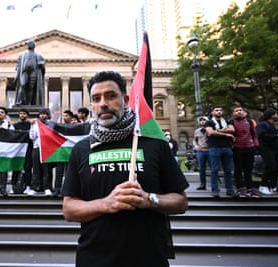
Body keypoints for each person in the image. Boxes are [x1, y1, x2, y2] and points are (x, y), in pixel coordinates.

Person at [62, 71, 189, 267]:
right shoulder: (81, 149)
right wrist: (106, 204)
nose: (103, 103)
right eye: (96, 98)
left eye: (111, 96)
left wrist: (149, 200)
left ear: (125, 99)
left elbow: (180, 202)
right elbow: (69, 209)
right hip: (94, 258)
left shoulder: (155, 144)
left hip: (149, 258)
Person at [228, 106, 261, 198]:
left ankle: (249, 187)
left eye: (240, 110)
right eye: (236, 111)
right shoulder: (231, 122)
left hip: (250, 148)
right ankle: (240, 187)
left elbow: (254, 134)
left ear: (243, 112)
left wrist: (255, 144)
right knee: (238, 169)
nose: (239, 112)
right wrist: (232, 145)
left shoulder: (249, 122)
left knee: (249, 169)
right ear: (233, 113)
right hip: (237, 148)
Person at [205, 105, 235, 198]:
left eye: (220, 110)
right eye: (216, 110)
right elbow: (210, 132)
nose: (219, 111)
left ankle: (229, 190)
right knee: (214, 170)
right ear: (212, 112)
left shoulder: (227, 121)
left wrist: (218, 130)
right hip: (215, 148)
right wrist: (226, 134)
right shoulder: (209, 122)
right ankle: (215, 190)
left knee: (228, 170)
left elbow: (232, 129)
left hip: (227, 147)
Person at [256, 109, 278, 194]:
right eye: (275, 114)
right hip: (266, 148)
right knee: (270, 165)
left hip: (275, 149)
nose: (277, 116)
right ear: (271, 115)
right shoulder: (262, 125)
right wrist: (276, 135)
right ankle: (263, 185)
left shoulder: (272, 125)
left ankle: (273, 185)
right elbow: (261, 136)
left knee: (275, 168)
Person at [14, 40, 45, 106]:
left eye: (30, 44)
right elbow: (18, 66)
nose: (28, 45)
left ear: (33, 46)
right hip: (25, 72)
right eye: (28, 44)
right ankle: (20, 101)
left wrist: (41, 64)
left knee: (31, 88)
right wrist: (16, 76)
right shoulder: (22, 55)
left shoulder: (38, 55)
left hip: (33, 72)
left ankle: (30, 102)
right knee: (22, 85)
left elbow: (42, 62)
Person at [12, 108, 33, 194]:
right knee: (15, 167)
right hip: (18, 149)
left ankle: (28, 186)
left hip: (28, 149)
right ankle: (13, 186)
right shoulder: (15, 125)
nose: (22, 115)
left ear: (27, 115)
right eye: (21, 113)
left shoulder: (30, 125)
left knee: (27, 168)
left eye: (24, 114)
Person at [193, 116, 210, 190]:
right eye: (201, 120)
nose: (203, 121)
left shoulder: (210, 129)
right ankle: (203, 184)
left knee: (213, 168)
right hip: (201, 151)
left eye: (204, 120)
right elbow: (194, 140)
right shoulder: (197, 131)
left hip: (210, 151)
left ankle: (215, 185)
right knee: (201, 169)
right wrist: (196, 145)